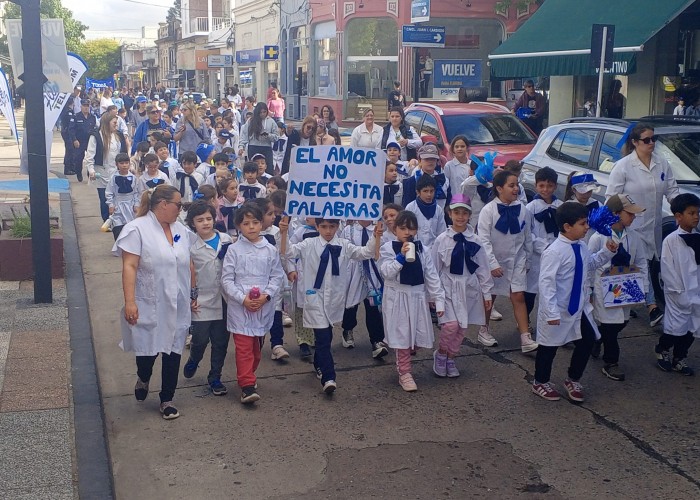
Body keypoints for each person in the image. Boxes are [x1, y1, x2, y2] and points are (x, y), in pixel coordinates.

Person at [113, 184, 191, 420]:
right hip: (149, 302)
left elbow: (188, 262)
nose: (180, 209)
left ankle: (167, 399)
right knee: (148, 352)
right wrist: (130, 302)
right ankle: (143, 377)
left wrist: (193, 293)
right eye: (178, 204)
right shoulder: (137, 229)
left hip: (177, 302)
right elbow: (130, 266)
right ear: (163, 204)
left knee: (174, 350)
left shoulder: (180, 229)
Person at [279, 217, 382, 394]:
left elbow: (365, 253)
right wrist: (283, 233)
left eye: (332, 226)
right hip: (315, 297)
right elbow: (288, 251)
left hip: (334, 299)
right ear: (317, 226)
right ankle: (329, 377)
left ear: (337, 226)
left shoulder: (344, 245)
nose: (328, 231)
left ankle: (319, 364)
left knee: (326, 336)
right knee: (323, 337)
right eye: (324, 226)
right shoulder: (309, 244)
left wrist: (375, 236)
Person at [532, 203, 617, 402]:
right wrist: (551, 312)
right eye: (582, 223)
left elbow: (590, 264)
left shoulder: (581, 246)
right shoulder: (554, 252)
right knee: (549, 346)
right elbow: (547, 283)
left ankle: (573, 378)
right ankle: (540, 381)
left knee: (587, 340)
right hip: (558, 308)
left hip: (578, 308)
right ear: (567, 227)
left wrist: (606, 252)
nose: (587, 227)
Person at [606, 123, 680, 327]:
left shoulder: (662, 163)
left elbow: (672, 190)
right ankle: (652, 307)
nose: (651, 143)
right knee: (640, 265)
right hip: (632, 225)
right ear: (635, 142)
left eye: (654, 139)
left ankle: (636, 302)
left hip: (654, 226)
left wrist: (680, 210)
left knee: (650, 264)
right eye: (647, 140)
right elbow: (611, 198)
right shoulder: (623, 166)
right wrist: (618, 222)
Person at [221, 203, 285, 404]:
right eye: (246, 223)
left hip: (262, 307)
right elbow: (226, 280)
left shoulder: (270, 250)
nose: (251, 227)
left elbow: (277, 276)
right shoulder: (233, 250)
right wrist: (243, 299)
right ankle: (246, 386)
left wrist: (266, 296)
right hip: (240, 308)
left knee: (256, 351)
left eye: (255, 222)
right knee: (244, 348)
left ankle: (249, 374)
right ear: (238, 226)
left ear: (262, 224)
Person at [378, 211, 445, 391]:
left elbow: (431, 275)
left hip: (417, 297)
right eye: (403, 228)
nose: (407, 232)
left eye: (411, 228)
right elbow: (386, 272)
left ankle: (408, 353)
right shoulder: (388, 248)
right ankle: (404, 372)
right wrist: (400, 257)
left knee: (415, 335)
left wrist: (438, 299)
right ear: (395, 230)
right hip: (397, 298)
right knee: (402, 336)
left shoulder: (422, 249)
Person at [431, 194, 493, 377]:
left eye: (464, 213)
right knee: (451, 325)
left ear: (469, 215)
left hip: (468, 287)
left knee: (462, 327)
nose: (460, 216)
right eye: (456, 212)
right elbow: (433, 268)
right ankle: (441, 353)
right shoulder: (442, 239)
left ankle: (451, 357)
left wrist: (487, 293)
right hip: (447, 286)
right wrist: (432, 295)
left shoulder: (475, 240)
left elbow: (483, 267)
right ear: (449, 214)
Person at [477, 170, 537, 352]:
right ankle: (483, 330)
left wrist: (527, 260)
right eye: (511, 185)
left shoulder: (523, 210)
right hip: (495, 261)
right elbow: (483, 240)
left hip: (517, 260)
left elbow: (527, 236)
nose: (516, 188)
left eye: (517, 184)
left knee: (518, 296)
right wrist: (492, 264)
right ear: (499, 188)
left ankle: (525, 338)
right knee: (490, 296)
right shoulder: (488, 211)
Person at [589, 194, 647, 382]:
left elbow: (641, 261)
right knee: (610, 325)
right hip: (604, 286)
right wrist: (589, 289)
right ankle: (611, 362)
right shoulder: (598, 237)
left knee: (622, 321)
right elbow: (589, 264)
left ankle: (598, 338)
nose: (633, 217)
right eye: (629, 213)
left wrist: (644, 286)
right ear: (615, 214)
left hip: (626, 285)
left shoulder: (634, 237)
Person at [182, 200, 234, 396]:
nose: (205, 223)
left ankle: (215, 377)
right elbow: (187, 274)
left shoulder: (226, 240)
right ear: (192, 223)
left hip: (225, 299)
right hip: (201, 299)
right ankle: (194, 358)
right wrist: (191, 297)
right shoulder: (190, 246)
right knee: (200, 339)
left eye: (208, 218)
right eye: (200, 220)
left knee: (221, 341)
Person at [655, 193, 700, 376]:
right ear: (678, 216)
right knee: (676, 328)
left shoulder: (697, 238)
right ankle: (662, 349)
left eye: (698, 213)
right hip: (678, 292)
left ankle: (679, 357)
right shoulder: (671, 240)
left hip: (696, 291)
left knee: (692, 327)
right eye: (691, 213)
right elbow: (667, 268)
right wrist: (678, 291)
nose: (696, 217)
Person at [339, 220, 389, 359]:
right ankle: (347, 329)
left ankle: (376, 340)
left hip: (373, 271)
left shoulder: (380, 229)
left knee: (373, 306)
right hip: (354, 271)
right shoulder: (349, 230)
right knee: (351, 305)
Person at [524, 167, 563, 327]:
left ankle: (550, 321)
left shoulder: (560, 207)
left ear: (555, 186)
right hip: (537, 257)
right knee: (530, 291)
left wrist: (558, 248)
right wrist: (544, 246)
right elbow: (527, 233)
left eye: (549, 186)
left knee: (553, 289)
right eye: (541, 186)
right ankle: (524, 321)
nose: (545, 189)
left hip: (556, 255)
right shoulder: (530, 208)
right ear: (536, 185)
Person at [86, 113, 128, 222]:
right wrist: (91, 170)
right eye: (114, 123)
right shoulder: (96, 136)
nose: (116, 125)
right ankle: (107, 221)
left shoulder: (118, 135)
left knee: (118, 197)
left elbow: (124, 152)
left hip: (117, 171)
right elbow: (90, 155)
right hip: (102, 173)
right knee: (105, 199)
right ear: (107, 123)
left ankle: (118, 220)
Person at [404, 175, 446, 250]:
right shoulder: (411, 208)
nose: (429, 195)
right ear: (418, 192)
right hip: (415, 248)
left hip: (433, 249)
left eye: (431, 191)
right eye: (425, 191)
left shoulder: (438, 209)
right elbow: (406, 230)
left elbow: (441, 232)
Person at [402, 143, 449, 209]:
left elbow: (448, 204)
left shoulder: (444, 180)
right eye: (426, 159)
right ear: (419, 161)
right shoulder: (412, 181)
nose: (430, 162)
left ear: (437, 161)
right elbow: (407, 204)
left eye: (433, 159)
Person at [105, 153, 138, 240]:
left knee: (130, 228)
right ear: (117, 164)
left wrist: (136, 204)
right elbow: (109, 192)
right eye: (122, 163)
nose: (124, 165)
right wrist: (111, 205)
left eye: (126, 163)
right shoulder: (113, 177)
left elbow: (136, 192)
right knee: (118, 228)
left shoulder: (133, 178)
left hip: (130, 206)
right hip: (118, 205)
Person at [239, 102, 279, 175]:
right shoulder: (251, 121)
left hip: (266, 147)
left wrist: (268, 135)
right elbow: (244, 135)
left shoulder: (271, 121)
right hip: (253, 146)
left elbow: (276, 137)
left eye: (264, 112)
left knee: (268, 168)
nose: (262, 114)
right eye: (260, 112)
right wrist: (241, 146)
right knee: (253, 168)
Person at [565, 171, 600, 243]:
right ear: (574, 190)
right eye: (582, 192)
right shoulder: (568, 207)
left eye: (589, 191)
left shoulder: (597, 204)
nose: (586, 195)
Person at [68, 98, 97, 182]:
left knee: (90, 158)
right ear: (81, 107)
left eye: (87, 106)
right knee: (78, 159)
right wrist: (74, 140)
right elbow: (71, 129)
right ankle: (79, 173)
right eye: (84, 106)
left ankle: (89, 173)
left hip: (90, 141)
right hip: (79, 141)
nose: (86, 107)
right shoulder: (76, 116)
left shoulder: (92, 117)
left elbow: (95, 129)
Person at [443, 136, 472, 202]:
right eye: (457, 147)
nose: (459, 149)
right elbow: (446, 186)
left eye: (462, 146)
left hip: (470, 201)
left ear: (467, 148)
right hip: (455, 201)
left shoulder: (472, 164)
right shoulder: (449, 166)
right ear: (453, 149)